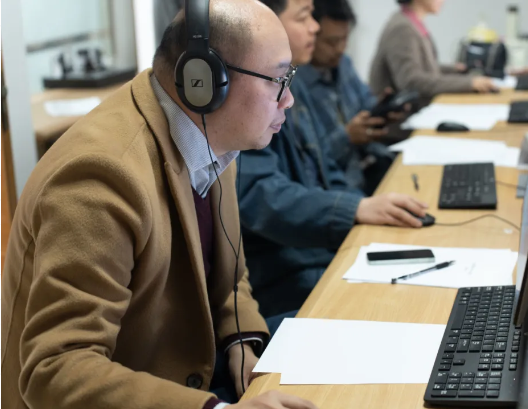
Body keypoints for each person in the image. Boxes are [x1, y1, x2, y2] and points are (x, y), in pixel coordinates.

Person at [1, 1, 318, 409]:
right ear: (204, 82)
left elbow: (227, 276)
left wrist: (240, 343)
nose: (288, 99)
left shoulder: (212, 135)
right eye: (277, 79)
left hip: (188, 368)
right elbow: (56, 369)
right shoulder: (100, 177)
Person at [239, 0, 429, 320]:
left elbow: (326, 167)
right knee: (403, 307)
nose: (315, 26)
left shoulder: (291, 84)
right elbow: (263, 198)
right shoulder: (247, 96)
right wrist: (354, 210)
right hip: (290, 270)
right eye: (304, 17)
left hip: (319, 251)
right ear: (264, 22)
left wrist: (364, 209)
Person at [297, 0, 405, 195]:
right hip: (341, 186)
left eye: (345, 39)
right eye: (331, 42)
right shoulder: (295, 85)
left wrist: (382, 111)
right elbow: (311, 161)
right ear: (310, 35)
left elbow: (366, 102)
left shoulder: (343, 64)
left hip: (373, 164)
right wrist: (347, 137)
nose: (340, 48)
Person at [369, 0, 499, 100]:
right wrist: (469, 84)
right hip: (400, 119)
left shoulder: (410, 22)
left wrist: (458, 70)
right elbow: (411, 81)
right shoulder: (402, 28)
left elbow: (424, 69)